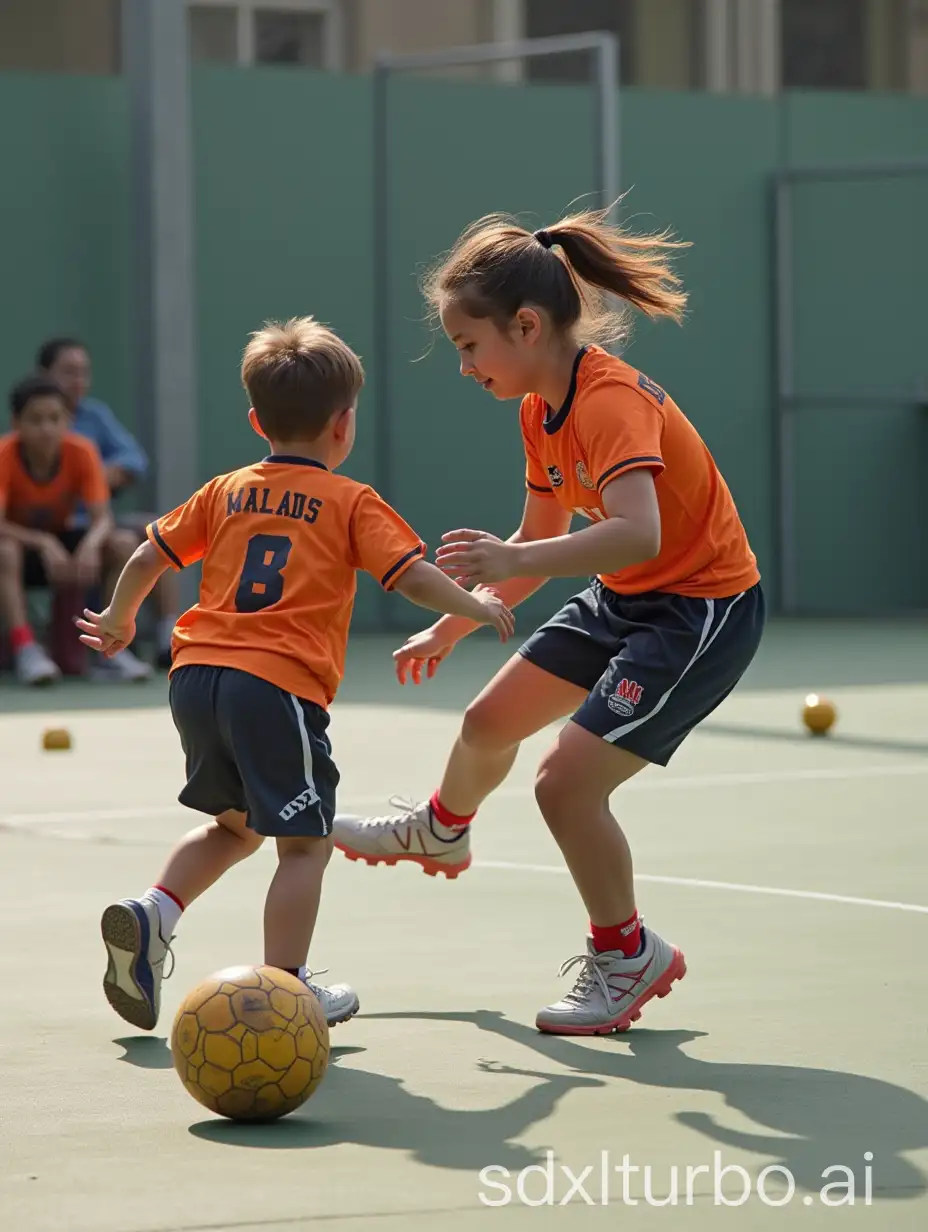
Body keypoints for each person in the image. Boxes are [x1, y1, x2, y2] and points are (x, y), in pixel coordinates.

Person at [332, 210, 766, 1036]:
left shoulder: (610, 404)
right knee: (486, 720)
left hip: (698, 609)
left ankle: (626, 952)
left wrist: (514, 563)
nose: (462, 366)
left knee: (565, 784)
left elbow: (641, 532)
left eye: (468, 345)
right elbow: (539, 538)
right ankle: (441, 831)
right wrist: (453, 626)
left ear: (525, 326)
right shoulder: (539, 409)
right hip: (625, 594)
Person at [76, 317, 515, 1033]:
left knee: (235, 827)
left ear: (256, 422)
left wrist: (122, 619)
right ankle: (284, 993)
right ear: (344, 426)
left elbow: (148, 557)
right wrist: (475, 603)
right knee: (304, 843)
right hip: (274, 687)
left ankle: (153, 912)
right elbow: (411, 579)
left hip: (195, 677)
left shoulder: (226, 489)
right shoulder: (350, 502)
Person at [38, 337, 173, 673]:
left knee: (164, 532)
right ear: (45, 375)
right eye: (68, 372)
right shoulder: (35, 418)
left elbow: (135, 461)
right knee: (123, 543)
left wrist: (96, 475)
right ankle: (107, 646)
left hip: (98, 519)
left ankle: (167, 635)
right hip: (57, 525)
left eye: (83, 372)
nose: (78, 381)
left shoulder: (95, 416)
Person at [0, 374, 144, 685]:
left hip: (64, 547)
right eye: (35, 420)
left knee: (122, 543)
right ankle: (25, 647)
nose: (47, 428)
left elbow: (102, 518)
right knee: (5, 551)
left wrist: (91, 545)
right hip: (20, 549)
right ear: (16, 422)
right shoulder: (5, 455)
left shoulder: (81, 451)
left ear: (67, 421)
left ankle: (110, 648)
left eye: (55, 418)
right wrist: (42, 542)